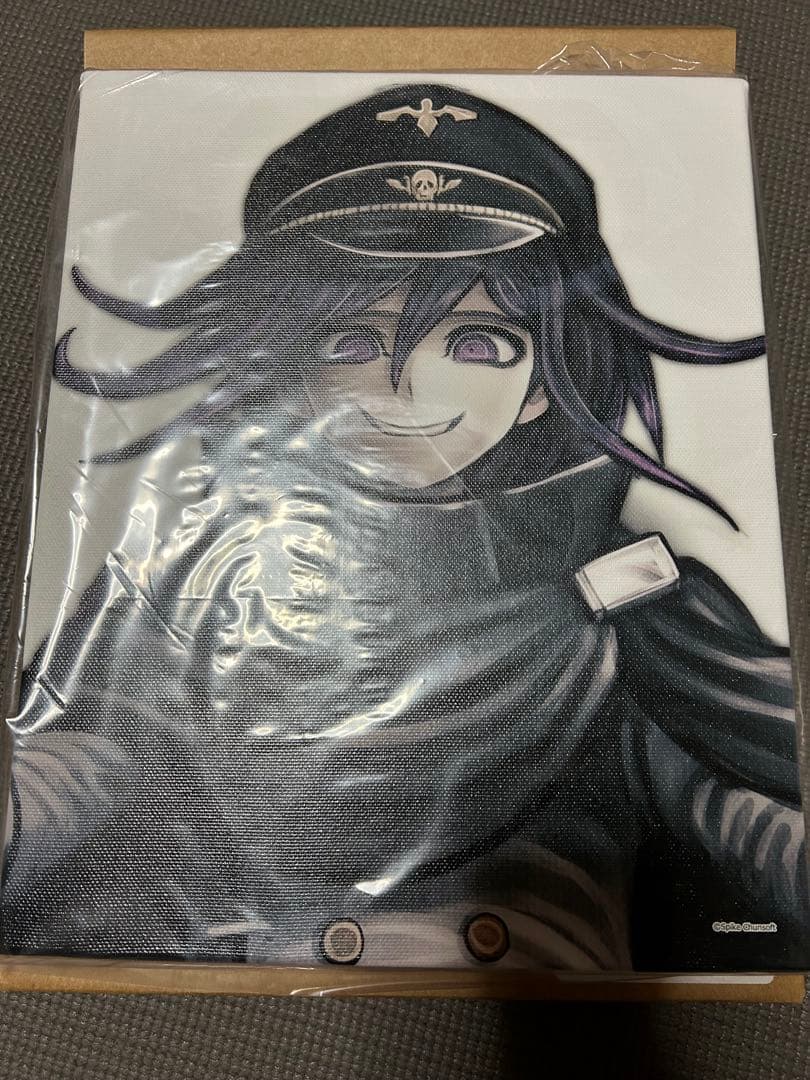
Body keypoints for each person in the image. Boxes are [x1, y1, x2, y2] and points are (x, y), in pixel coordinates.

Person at [3, 83, 807, 971]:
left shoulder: (622, 599)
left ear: (542, 385)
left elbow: (729, 801)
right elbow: (87, 756)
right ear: (294, 361)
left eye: (476, 343)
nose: (403, 387)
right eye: (351, 342)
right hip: (207, 987)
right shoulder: (193, 570)